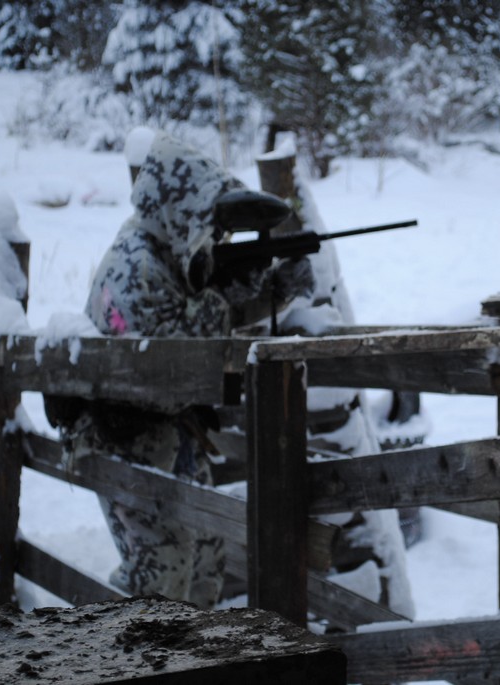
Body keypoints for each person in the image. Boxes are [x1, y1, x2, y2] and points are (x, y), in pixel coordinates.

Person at [45, 132, 314, 609]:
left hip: (174, 438)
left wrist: (270, 291)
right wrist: (231, 291)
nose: (213, 232)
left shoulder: (171, 251)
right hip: (126, 440)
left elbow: (203, 311)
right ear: (179, 208)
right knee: (159, 577)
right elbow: (177, 355)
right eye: (205, 216)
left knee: (206, 560)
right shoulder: (135, 265)